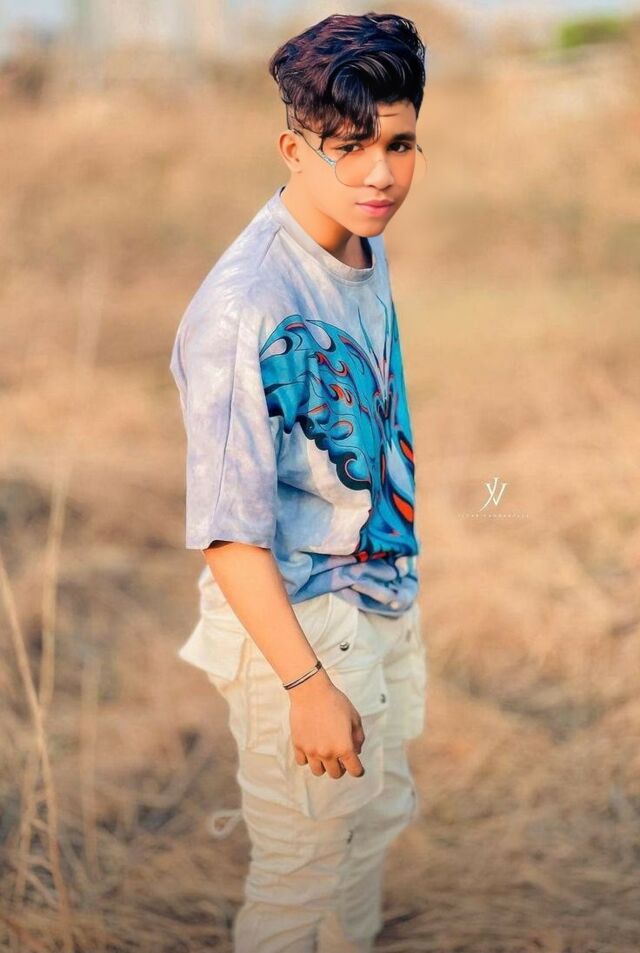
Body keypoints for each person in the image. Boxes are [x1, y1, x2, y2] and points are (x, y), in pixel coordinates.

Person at [169, 12, 429, 952]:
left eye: (400, 144)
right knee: (299, 871)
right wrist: (305, 683)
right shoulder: (245, 308)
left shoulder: (360, 240)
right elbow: (228, 532)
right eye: (349, 147)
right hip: (297, 622)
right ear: (294, 148)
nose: (379, 174)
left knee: (365, 839)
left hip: (376, 594)